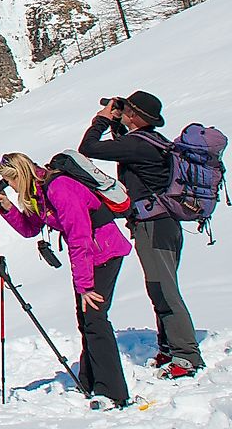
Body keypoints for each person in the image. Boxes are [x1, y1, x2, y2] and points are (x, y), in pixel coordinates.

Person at [78, 90, 204, 379]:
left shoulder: (137, 145)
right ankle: (171, 348)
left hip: (153, 226)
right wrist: (117, 124)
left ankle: (187, 356)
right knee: (160, 286)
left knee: (164, 288)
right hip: (165, 224)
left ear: (133, 114)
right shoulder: (154, 142)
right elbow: (122, 148)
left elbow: (89, 149)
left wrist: (100, 120)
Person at [0, 152, 131, 408]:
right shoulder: (40, 191)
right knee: (86, 319)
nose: (10, 187)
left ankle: (114, 392)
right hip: (93, 254)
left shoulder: (59, 188)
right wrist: (9, 209)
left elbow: (79, 238)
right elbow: (30, 229)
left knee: (95, 320)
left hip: (103, 251)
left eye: (9, 181)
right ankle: (90, 380)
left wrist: (85, 286)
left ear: (19, 176)